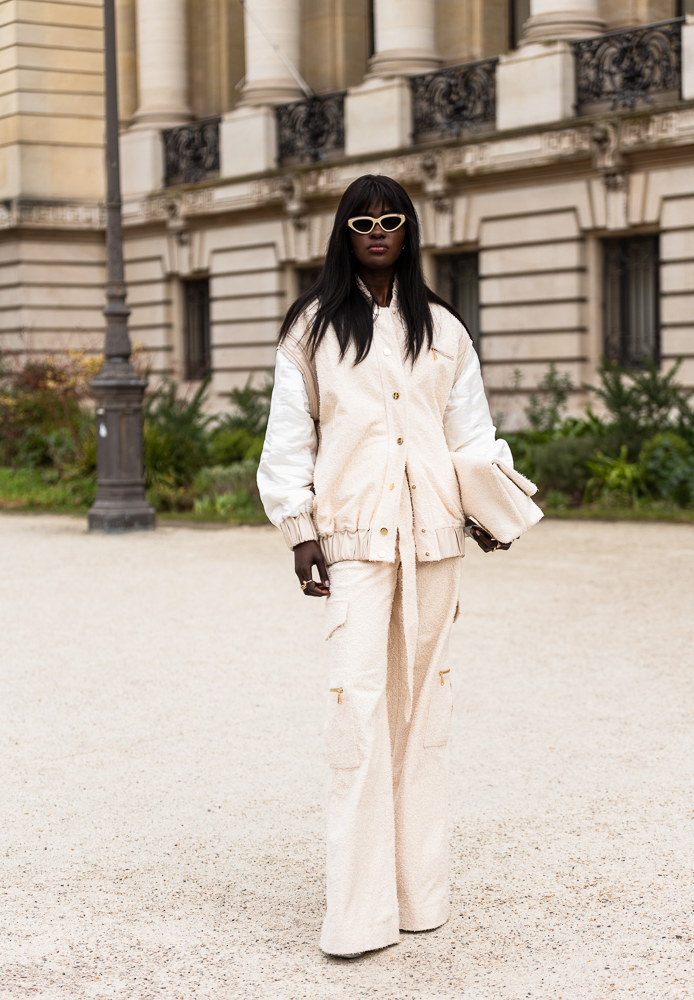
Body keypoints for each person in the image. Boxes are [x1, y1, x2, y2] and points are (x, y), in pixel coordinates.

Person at [257, 174, 513, 958]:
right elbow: (289, 433)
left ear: (409, 230)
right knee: (358, 710)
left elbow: (471, 432)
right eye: (362, 220)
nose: (377, 231)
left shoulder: (443, 328)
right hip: (354, 543)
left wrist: (489, 509)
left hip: (434, 539)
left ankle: (417, 898)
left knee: (424, 714)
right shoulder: (311, 329)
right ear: (344, 231)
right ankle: (357, 915)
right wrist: (300, 530)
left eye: (391, 219)